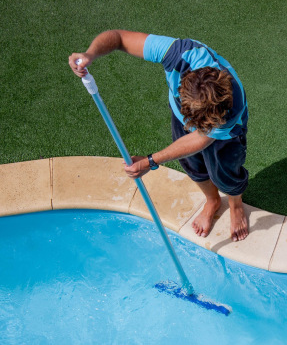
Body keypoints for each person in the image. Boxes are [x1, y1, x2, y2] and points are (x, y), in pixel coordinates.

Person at [69, 30, 249, 241]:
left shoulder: (231, 105)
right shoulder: (177, 54)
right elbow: (118, 38)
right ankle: (212, 201)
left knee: (225, 174)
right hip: (184, 113)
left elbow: (200, 139)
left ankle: (236, 206)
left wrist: (150, 161)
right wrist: (90, 54)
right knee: (192, 165)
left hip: (225, 134)